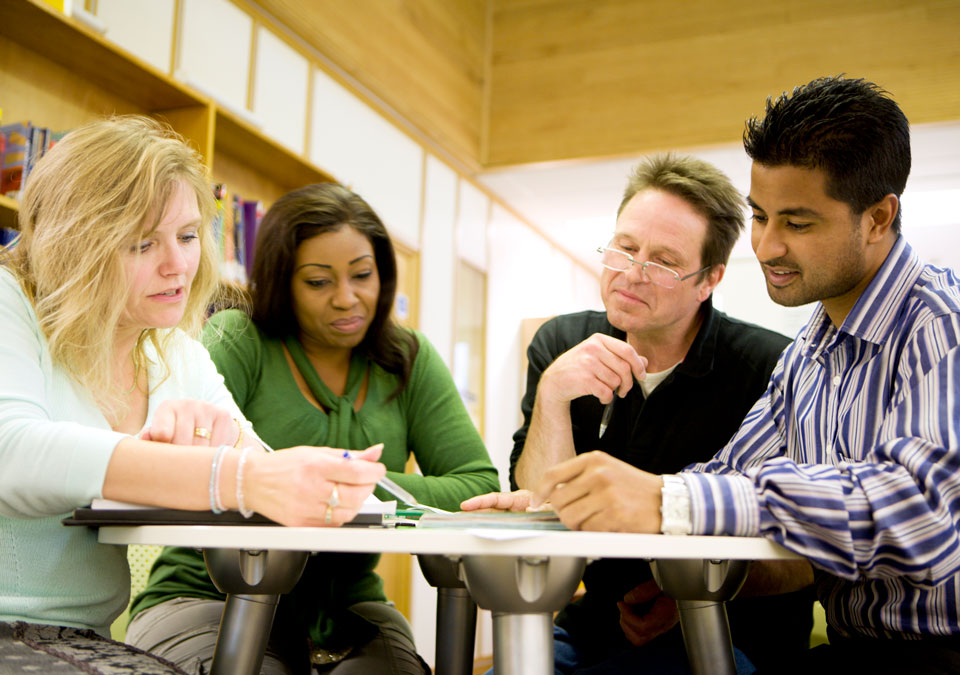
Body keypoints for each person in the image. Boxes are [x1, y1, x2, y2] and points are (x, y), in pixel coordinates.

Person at [530, 76, 960, 673]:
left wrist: (667, 498)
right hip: (852, 650)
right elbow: (727, 472)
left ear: (879, 217)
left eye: (798, 223)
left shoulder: (940, 323)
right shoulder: (810, 349)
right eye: (760, 216)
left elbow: (921, 515)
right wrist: (561, 497)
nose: (765, 246)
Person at [0, 116, 386, 673]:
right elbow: (12, 453)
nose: (179, 265)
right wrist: (230, 477)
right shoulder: (10, 301)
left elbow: (260, 471)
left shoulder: (174, 353)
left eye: (186, 236)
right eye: (141, 243)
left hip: (81, 639)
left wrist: (255, 464)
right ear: (74, 246)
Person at [128, 183, 500, 674]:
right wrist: (349, 487)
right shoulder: (239, 340)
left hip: (349, 611)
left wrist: (336, 484)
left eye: (363, 275)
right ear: (283, 282)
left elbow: (477, 487)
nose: (348, 299)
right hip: (207, 595)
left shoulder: (409, 358)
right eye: (319, 282)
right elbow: (181, 466)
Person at [464, 153, 814, 673]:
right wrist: (555, 395)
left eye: (664, 261)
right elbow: (542, 499)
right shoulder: (563, 343)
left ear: (709, 279)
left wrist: (691, 592)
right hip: (598, 626)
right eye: (625, 249)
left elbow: (807, 548)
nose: (632, 274)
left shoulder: (773, 366)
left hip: (731, 629)